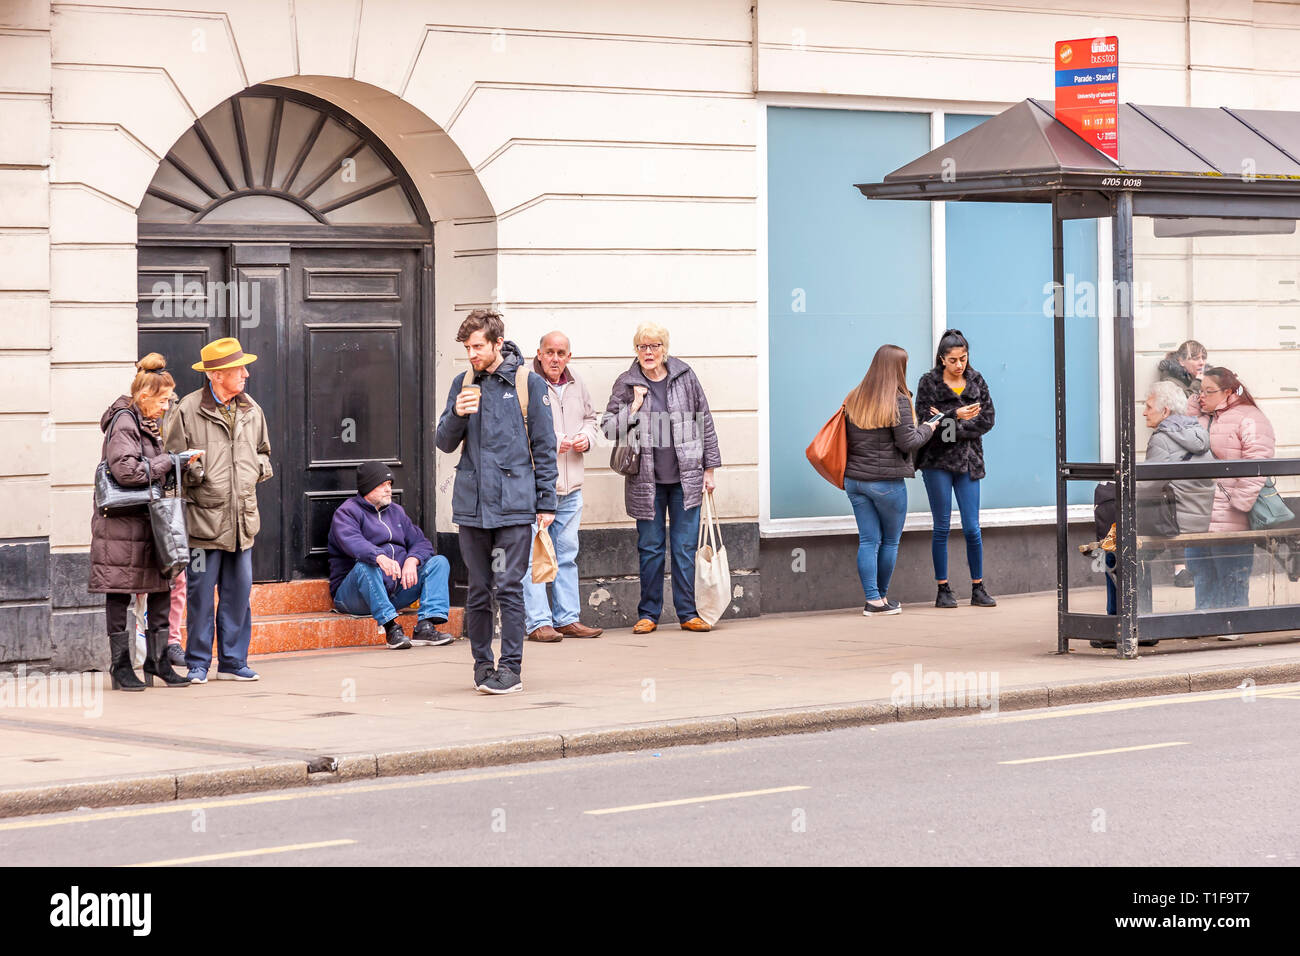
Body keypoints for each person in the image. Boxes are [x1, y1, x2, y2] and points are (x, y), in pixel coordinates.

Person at [435, 310, 557, 694]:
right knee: (479, 588)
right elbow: (443, 441)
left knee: (508, 586)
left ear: (497, 344)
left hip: (513, 507)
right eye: (467, 347)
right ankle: (482, 666)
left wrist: (546, 502)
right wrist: (457, 414)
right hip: (473, 508)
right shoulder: (463, 382)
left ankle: (511, 669)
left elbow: (545, 446)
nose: (471, 354)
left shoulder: (527, 383)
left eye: (477, 347)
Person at [163, 337, 273, 683]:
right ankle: (197, 663)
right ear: (217, 375)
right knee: (199, 595)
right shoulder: (187, 410)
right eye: (238, 369)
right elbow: (171, 462)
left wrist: (258, 467)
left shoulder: (252, 410)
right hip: (202, 523)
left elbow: (264, 452)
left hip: (242, 522)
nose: (246, 374)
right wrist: (194, 470)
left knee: (238, 594)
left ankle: (233, 661)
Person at [602, 322, 721, 634]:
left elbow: (704, 421)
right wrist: (635, 405)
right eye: (642, 347)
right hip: (646, 481)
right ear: (636, 351)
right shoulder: (627, 383)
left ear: (664, 349)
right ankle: (649, 613)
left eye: (654, 346)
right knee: (651, 548)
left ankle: (687, 613)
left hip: (686, 479)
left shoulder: (685, 377)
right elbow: (608, 428)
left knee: (683, 548)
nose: (648, 352)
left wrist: (709, 469)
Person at [88, 353, 194, 690]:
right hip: (122, 526)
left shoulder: (145, 422)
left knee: (161, 587)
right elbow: (127, 470)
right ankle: (120, 667)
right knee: (120, 593)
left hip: (147, 522)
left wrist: (180, 465)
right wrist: (170, 460)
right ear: (144, 396)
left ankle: (159, 661)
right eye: (163, 400)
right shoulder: (124, 421)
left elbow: (148, 467)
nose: (166, 407)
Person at [843, 344, 938, 616]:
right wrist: (928, 427)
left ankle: (873, 600)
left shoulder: (854, 397)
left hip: (855, 481)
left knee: (868, 540)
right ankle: (881, 599)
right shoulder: (897, 399)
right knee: (890, 541)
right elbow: (908, 441)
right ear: (899, 368)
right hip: (886, 483)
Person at [522, 332, 604, 642]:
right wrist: (549, 442)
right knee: (534, 556)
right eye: (550, 352)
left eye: (561, 353)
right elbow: (521, 426)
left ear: (569, 356)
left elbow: (590, 419)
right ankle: (538, 622)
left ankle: (567, 618)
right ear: (539, 354)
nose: (555, 358)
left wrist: (586, 438)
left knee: (567, 554)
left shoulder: (577, 382)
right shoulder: (528, 384)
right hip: (539, 486)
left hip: (572, 487)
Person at [1187, 366, 1275, 636]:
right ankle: (1204, 620)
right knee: (1201, 567)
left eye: (1209, 391)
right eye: (1199, 392)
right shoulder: (1201, 416)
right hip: (1199, 508)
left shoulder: (1249, 417)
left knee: (1232, 567)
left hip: (1231, 509)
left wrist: (1240, 503)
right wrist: (1194, 403)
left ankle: (1232, 622)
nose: (1202, 397)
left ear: (1227, 392)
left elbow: (1258, 462)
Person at [328, 461, 453, 649]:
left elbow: (421, 542)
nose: (388, 490)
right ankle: (391, 628)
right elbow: (353, 542)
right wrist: (379, 557)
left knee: (438, 562)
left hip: (395, 591)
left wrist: (412, 560)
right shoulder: (347, 512)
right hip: (354, 596)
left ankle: (425, 626)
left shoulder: (396, 511)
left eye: (390, 485)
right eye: (382, 485)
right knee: (366, 565)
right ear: (368, 487)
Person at [913, 329, 997, 609]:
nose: (959, 364)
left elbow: (987, 419)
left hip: (970, 462)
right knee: (942, 526)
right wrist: (956, 416)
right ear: (942, 359)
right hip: (936, 463)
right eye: (953, 360)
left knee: (973, 528)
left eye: (963, 358)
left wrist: (950, 425)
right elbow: (926, 423)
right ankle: (943, 589)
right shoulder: (929, 383)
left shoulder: (976, 380)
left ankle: (978, 587)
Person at [1156, 339, 1208, 587]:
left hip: (1192, 445)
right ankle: (1180, 569)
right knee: (1176, 507)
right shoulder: (1170, 383)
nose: (1201, 362)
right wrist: (1200, 384)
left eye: (1203, 358)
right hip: (1177, 448)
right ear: (1180, 361)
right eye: (1196, 358)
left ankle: (1191, 565)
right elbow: (1184, 408)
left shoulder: (1189, 381)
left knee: (1189, 507)